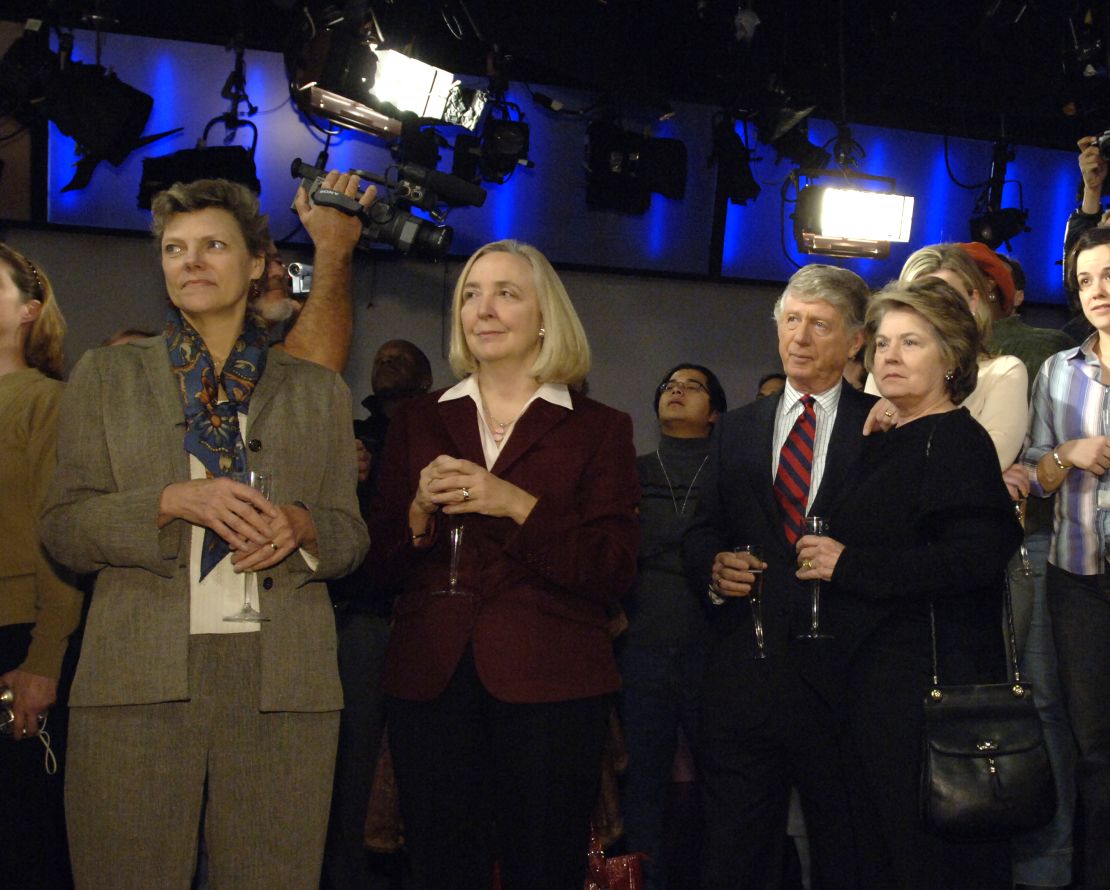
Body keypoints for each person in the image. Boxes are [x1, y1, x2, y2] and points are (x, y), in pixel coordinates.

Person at [39, 179, 369, 890]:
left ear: (257, 264)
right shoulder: (106, 376)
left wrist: (305, 526)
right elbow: (64, 528)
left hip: (283, 682)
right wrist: (167, 500)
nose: (191, 261)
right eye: (175, 249)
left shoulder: (319, 391)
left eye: (213, 245)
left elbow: (350, 537)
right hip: (138, 675)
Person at [371, 239, 640, 890]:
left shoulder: (599, 428)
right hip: (431, 679)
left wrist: (517, 503)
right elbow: (373, 565)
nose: (482, 308)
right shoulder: (416, 420)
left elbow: (613, 569)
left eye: (505, 293)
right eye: (470, 293)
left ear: (546, 316)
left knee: (542, 870)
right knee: (439, 868)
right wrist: (413, 517)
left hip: (553, 684)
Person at [796, 276, 1022, 889]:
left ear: (950, 357)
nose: (889, 357)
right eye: (883, 344)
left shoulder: (955, 441)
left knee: (916, 860)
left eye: (911, 343)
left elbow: (976, 558)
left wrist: (850, 566)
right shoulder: (891, 436)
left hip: (921, 694)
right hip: (867, 688)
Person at [683, 263, 876, 889]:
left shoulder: (883, 427)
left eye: (819, 324)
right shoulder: (738, 426)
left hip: (843, 680)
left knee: (844, 854)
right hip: (746, 674)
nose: (799, 336)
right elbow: (700, 530)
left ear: (854, 341)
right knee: (734, 855)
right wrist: (714, 567)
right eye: (791, 320)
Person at [322, 338, 433, 890]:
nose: (385, 360)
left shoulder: (435, 429)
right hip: (345, 609)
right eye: (380, 354)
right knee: (343, 766)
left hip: (407, 616)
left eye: (399, 354)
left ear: (426, 370)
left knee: (398, 768)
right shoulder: (347, 428)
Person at [1022, 224, 1110, 889]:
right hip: (1077, 577)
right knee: (1092, 751)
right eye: (1085, 279)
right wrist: (1066, 455)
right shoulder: (1058, 370)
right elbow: (1033, 472)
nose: (1097, 291)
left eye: (1108, 276)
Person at [987, 254, 1078, 890]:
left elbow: (1037, 465)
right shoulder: (902, 362)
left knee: (1037, 707)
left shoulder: (1031, 354)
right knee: (1039, 710)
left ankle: (1037, 866)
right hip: (1038, 548)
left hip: (1036, 549)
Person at [617, 362, 726, 890]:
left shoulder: (732, 472)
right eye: (668, 385)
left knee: (725, 787)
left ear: (716, 412)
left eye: (692, 386)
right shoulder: (629, 471)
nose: (676, 390)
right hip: (642, 644)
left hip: (715, 648)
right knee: (642, 788)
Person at [0, 242, 82, 889]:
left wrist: (44, 660)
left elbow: (61, 542)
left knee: (24, 837)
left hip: (16, 636)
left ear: (30, 310)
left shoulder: (47, 402)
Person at [868, 242, 1028, 469]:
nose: (928, 308)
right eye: (917, 296)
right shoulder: (887, 368)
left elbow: (983, 466)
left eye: (944, 297)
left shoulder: (1004, 371)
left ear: (973, 300)